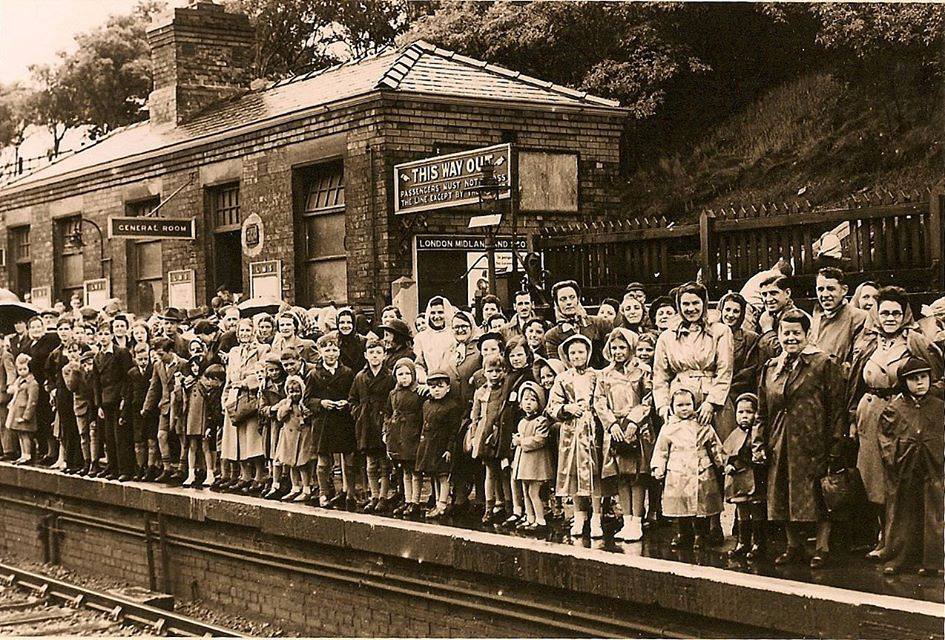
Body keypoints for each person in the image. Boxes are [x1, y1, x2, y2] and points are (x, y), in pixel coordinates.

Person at [848, 286, 943, 559]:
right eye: (884, 312)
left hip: (900, 416)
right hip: (869, 414)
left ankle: (895, 543)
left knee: (897, 479)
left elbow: (934, 379)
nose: (890, 317)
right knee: (873, 479)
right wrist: (853, 417)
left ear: (904, 316)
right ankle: (881, 537)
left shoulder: (915, 342)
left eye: (896, 313)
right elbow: (856, 382)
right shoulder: (869, 341)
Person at [753, 309, 846, 569]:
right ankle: (793, 546)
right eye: (785, 332)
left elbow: (836, 408)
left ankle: (821, 548)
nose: (790, 338)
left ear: (807, 334)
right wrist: (759, 442)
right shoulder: (772, 367)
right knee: (781, 491)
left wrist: (835, 444)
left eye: (796, 333)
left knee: (819, 495)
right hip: (779, 441)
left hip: (812, 441)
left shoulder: (824, 363)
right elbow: (762, 410)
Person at [878, 357, 944, 576]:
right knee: (903, 513)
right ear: (904, 382)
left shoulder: (938, 407)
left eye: (923, 377)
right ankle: (900, 558)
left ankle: (932, 562)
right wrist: (894, 458)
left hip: (933, 468)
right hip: (905, 468)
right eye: (913, 379)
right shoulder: (895, 408)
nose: (919, 383)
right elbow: (885, 437)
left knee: (933, 512)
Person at [594, 327, 652, 542]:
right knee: (621, 477)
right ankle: (626, 520)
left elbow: (648, 399)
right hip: (616, 429)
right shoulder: (605, 374)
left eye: (622, 347)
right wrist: (611, 424)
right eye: (614, 347)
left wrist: (634, 422)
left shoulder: (643, 371)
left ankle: (637, 520)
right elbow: (599, 401)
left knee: (636, 476)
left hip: (636, 428)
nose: (618, 351)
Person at [651, 388, 726, 549]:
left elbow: (714, 444)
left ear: (694, 404)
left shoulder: (702, 424)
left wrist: (722, 463)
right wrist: (658, 467)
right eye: (679, 405)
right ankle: (683, 534)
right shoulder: (669, 427)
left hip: (701, 470)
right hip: (678, 472)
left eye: (688, 404)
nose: (684, 408)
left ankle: (700, 535)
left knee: (701, 505)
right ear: (672, 407)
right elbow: (661, 450)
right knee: (680, 505)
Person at [547, 334, 604, 538]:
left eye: (581, 352)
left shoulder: (597, 375)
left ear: (588, 353)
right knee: (573, 472)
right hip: (571, 429)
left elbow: (604, 400)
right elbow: (551, 406)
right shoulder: (562, 379)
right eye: (572, 353)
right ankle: (579, 515)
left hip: (593, 428)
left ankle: (597, 516)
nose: (577, 356)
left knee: (594, 471)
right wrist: (567, 408)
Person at [305, 332, 357, 511]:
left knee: (348, 460)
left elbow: (353, 395)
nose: (331, 353)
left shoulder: (347, 373)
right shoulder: (314, 374)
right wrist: (321, 403)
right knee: (323, 461)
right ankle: (324, 493)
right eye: (327, 350)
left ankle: (350, 493)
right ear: (320, 352)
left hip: (343, 420)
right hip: (324, 421)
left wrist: (347, 403)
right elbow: (307, 399)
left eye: (334, 350)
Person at [220, 319, 268, 494]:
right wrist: (225, 397)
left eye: (248, 330)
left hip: (250, 397)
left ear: (253, 331)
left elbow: (262, 373)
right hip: (234, 397)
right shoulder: (233, 352)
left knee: (252, 438)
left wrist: (246, 382)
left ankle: (258, 475)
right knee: (235, 439)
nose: (244, 334)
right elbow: (229, 376)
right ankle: (244, 475)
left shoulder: (262, 350)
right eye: (241, 331)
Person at [349, 336, 394, 513]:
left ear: (383, 355)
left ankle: (383, 496)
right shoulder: (360, 377)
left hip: (382, 422)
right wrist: (358, 413)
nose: (375, 356)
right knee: (370, 463)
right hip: (366, 424)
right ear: (366, 355)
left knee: (384, 463)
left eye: (378, 353)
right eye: (371, 353)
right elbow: (352, 398)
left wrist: (388, 420)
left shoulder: (389, 376)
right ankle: (373, 495)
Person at [415, 370, 464, 519]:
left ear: (447, 388)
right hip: (429, 445)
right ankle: (436, 502)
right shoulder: (426, 404)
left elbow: (454, 430)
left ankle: (442, 504)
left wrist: (449, 448)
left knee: (443, 476)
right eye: (433, 387)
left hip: (443, 446)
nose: (436, 390)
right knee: (434, 475)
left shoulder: (452, 406)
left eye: (440, 386)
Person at [723, 393, 767, 559]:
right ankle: (743, 542)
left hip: (755, 477)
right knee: (742, 510)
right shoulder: (734, 434)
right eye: (740, 412)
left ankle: (759, 544)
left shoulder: (759, 433)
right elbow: (727, 453)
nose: (744, 416)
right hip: (740, 480)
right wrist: (728, 465)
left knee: (756, 509)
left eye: (749, 412)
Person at [469, 354, 509, 525]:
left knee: (505, 471)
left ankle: (507, 506)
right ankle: (489, 507)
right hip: (485, 435)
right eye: (490, 371)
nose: (494, 375)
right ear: (484, 372)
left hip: (500, 434)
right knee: (490, 472)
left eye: (498, 371)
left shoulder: (504, 389)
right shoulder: (481, 391)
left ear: (504, 371)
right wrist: (473, 436)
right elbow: (475, 417)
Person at [92, 321, 134, 480]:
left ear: (111, 336)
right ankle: (112, 467)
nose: (103, 337)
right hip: (106, 401)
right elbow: (96, 383)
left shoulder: (121, 353)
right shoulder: (98, 356)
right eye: (100, 334)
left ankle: (125, 470)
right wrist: (99, 405)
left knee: (120, 436)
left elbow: (127, 378)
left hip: (119, 399)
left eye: (106, 334)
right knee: (109, 436)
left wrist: (124, 398)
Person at [511, 381, 553, 535]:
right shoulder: (522, 421)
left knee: (533, 492)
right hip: (524, 462)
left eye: (533, 400)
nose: (528, 403)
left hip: (536, 463)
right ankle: (530, 517)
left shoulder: (541, 421)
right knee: (525, 490)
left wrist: (522, 442)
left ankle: (540, 520)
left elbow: (540, 440)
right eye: (525, 399)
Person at [384, 358, 424, 518]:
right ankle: (407, 500)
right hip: (398, 434)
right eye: (400, 374)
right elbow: (387, 412)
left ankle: (416, 501)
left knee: (415, 470)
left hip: (412, 434)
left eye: (408, 373)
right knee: (405, 469)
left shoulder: (418, 393)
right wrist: (387, 430)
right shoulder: (393, 394)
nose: (405, 377)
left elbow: (423, 415)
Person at [544, 281, 612, 370]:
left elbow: (611, 355)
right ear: (557, 303)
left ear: (578, 299)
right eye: (563, 299)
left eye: (572, 297)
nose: (569, 302)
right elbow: (556, 367)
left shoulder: (601, 324)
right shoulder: (552, 336)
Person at [145, 338, 184, 483]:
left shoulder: (182, 364)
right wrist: (147, 407)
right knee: (161, 436)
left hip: (180, 406)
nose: (159, 357)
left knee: (182, 437)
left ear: (171, 351)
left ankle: (182, 467)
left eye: (162, 354)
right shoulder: (158, 365)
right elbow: (154, 387)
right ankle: (167, 468)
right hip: (165, 406)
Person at [810, 267, 868, 365]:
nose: (825, 294)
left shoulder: (859, 318)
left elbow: (858, 361)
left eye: (831, 289)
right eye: (820, 289)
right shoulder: (816, 319)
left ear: (844, 290)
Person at [120, 342, 159, 481]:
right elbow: (128, 395)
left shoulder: (154, 370)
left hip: (151, 411)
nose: (143, 362)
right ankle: (140, 467)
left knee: (151, 440)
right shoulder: (132, 373)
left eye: (145, 359)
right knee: (139, 441)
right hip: (136, 411)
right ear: (135, 358)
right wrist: (123, 414)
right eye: (140, 359)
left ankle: (150, 468)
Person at [274, 375, 314, 502]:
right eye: (291, 392)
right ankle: (295, 487)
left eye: (297, 391)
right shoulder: (285, 403)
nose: (294, 394)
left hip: (303, 436)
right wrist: (287, 406)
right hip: (289, 438)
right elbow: (280, 416)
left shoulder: (304, 403)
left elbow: (309, 415)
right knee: (291, 464)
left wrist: (304, 410)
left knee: (302, 464)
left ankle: (306, 488)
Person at [717, 292, 762, 401]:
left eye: (736, 311)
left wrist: (724, 390)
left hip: (736, 395)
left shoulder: (750, 339)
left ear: (742, 314)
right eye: (727, 310)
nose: (731, 315)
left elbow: (747, 373)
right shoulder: (711, 336)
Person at [259, 352, 288, 500]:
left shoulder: (287, 383)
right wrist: (271, 409)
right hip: (271, 424)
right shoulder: (265, 385)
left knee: (283, 452)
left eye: (276, 370)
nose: (274, 373)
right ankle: (273, 480)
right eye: (271, 370)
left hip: (284, 422)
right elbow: (261, 407)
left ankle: (284, 479)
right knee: (271, 452)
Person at [414, 296, 456, 382]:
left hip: (452, 382)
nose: (436, 316)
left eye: (440, 312)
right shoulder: (421, 337)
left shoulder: (454, 334)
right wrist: (424, 380)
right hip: (430, 384)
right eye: (433, 313)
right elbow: (419, 364)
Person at [6, 353, 39, 464]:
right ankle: (23, 454)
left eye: (24, 369)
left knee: (26, 435)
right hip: (17, 411)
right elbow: (12, 391)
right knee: (20, 434)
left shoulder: (32, 383)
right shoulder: (19, 381)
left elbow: (32, 401)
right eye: (19, 369)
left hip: (24, 412)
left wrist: (26, 416)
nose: (22, 371)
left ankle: (28, 455)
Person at [756, 274, 797, 359]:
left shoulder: (794, 317)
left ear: (787, 293)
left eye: (773, 293)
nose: (768, 299)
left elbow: (786, 355)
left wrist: (768, 330)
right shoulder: (769, 315)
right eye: (764, 294)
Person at [337, 308, 367, 373]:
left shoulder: (363, 341)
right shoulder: (334, 342)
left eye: (349, 322)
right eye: (342, 322)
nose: (345, 326)